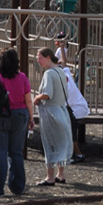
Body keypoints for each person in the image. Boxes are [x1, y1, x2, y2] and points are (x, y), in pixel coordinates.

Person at [0, 48, 34, 197]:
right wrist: (31, 118)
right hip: (19, 115)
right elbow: (28, 100)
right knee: (16, 152)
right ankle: (17, 187)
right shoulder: (23, 77)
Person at [33, 48, 73, 186]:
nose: (38, 61)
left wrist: (37, 97)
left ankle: (50, 176)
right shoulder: (60, 71)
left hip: (50, 112)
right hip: (62, 110)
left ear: (48, 57)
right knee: (61, 142)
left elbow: (47, 94)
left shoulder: (49, 74)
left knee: (50, 143)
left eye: (40, 58)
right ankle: (60, 174)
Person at [60, 64, 90, 164]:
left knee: (69, 128)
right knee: (68, 126)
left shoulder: (65, 87)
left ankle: (77, 153)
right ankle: (74, 152)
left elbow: (61, 102)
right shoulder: (66, 75)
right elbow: (64, 63)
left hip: (77, 110)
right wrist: (63, 48)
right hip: (77, 107)